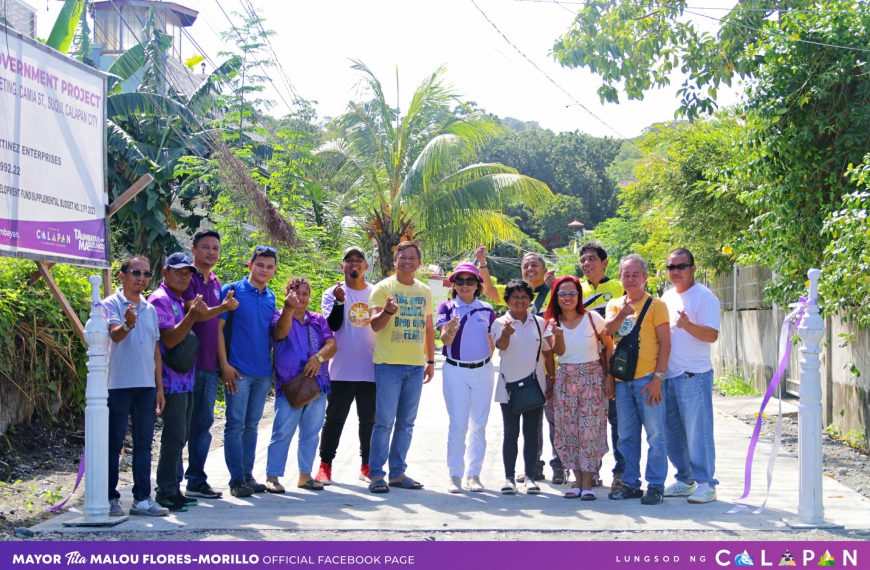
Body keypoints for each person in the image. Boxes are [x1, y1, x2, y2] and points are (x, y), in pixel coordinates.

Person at [367, 241, 435, 493]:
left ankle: (397, 473)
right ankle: (376, 474)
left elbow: (428, 327)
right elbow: (374, 326)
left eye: (412, 258)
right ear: (394, 261)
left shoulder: (425, 291)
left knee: (407, 422)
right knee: (384, 422)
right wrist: (387, 311)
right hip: (388, 365)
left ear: (419, 263)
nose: (407, 262)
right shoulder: (383, 288)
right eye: (402, 257)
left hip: (415, 366)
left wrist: (430, 361)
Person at [103, 256, 169, 517]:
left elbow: (155, 350)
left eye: (146, 274)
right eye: (136, 272)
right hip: (118, 384)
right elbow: (115, 335)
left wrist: (159, 387)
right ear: (122, 275)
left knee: (143, 444)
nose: (141, 278)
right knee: (113, 443)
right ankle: (109, 498)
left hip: (145, 385)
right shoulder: (110, 304)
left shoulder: (150, 309)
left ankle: (142, 499)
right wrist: (128, 323)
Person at [604, 254, 670, 505]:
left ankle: (656, 485)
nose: (630, 279)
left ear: (645, 277)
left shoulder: (657, 305)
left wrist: (658, 378)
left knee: (655, 435)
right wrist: (623, 313)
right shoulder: (615, 304)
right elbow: (608, 334)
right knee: (626, 435)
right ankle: (631, 483)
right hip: (623, 382)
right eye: (626, 274)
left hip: (647, 380)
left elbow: (665, 344)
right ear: (620, 277)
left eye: (635, 274)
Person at [544, 275, 615, 500]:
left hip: (592, 376)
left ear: (579, 295)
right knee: (569, 429)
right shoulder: (552, 324)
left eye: (572, 293)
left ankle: (588, 482)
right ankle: (576, 480)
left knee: (590, 429)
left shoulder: (593, 318)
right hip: (566, 379)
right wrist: (557, 334)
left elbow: (609, 345)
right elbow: (560, 353)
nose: (567, 298)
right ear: (556, 297)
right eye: (562, 294)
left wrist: (610, 376)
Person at [264, 277, 337, 493]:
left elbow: (332, 344)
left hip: (317, 386)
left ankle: (305, 476)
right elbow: (280, 333)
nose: (301, 297)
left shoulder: (317, 320)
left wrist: (319, 358)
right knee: (282, 432)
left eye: (305, 293)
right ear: (287, 293)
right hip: (290, 387)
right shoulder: (279, 316)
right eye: (296, 292)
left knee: (311, 433)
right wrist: (288, 308)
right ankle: (273, 476)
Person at [218, 245, 280, 498]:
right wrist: (225, 366)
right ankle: (235, 480)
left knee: (252, 425)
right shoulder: (232, 290)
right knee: (234, 425)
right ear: (250, 266)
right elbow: (218, 331)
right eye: (260, 265)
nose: (264, 270)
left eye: (269, 266)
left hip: (263, 372)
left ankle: (247, 474)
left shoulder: (271, 297)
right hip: (238, 371)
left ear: (274, 271)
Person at [182, 229, 239, 500]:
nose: (211, 253)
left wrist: (222, 362)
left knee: (203, 424)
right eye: (205, 247)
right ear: (193, 249)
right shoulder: (186, 277)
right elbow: (198, 312)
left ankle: (196, 479)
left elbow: (215, 327)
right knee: (179, 426)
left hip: (208, 365)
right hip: (183, 365)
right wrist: (224, 309)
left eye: (215, 248)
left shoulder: (216, 282)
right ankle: (167, 485)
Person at [661, 248, 721, 504]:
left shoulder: (704, 297)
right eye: (671, 267)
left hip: (694, 375)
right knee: (672, 432)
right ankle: (685, 480)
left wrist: (687, 326)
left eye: (681, 266)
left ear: (693, 268)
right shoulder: (666, 296)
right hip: (669, 375)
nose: (676, 272)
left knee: (699, 432)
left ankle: (707, 483)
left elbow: (712, 335)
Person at [148, 253, 207, 512]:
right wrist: (192, 316)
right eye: (179, 271)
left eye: (188, 273)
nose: (184, 276)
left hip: (185, 380)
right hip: (170, 383)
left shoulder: (177, 300)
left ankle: (174, 487)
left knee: (180, 436)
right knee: (173, 437)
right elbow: (169, 340)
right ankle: (165, 491)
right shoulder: (160, 300)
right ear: (165, 272)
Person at [316, 246, 377, 485]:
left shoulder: (376, 292)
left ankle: (367, 464)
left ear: (366, 266)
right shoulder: (332, 293)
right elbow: (332, 325)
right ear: (342, 266)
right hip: (341, 369)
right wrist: (340, 303)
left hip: (371, 368)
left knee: (369, 420)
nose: (354, 264)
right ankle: (325, 465)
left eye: (358, 260)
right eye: (349, 260)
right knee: (334, 419)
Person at [436, 262, 497, 493]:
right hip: (455, 371)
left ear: (477, 285)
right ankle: (455, 475)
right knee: (458, 424)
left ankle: (474, 475)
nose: (464, 285)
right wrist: (450, 330)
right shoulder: (447, 307)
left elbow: (497, 340)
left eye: (470, 281)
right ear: (453, 284)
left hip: (482, 371)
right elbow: (446, 340)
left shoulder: (487, 310)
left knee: (478, 426)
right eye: (459, 281)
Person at [491, 279, 555, 495]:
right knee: (511, 433)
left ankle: (529, 477)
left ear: (530, 300)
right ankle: (509, 478)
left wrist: (552, 378)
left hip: (534, 386)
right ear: (507, 300)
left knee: (532, 433)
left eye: (524, 297)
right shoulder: (500, 323)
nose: (519, 301)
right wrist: (507, 334)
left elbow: (548, 352)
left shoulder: (539, 322)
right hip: (508, 387)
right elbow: (501, 346)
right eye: (515, 297)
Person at [578, 241, 625, 491]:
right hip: (586, 364)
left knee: (618, 421)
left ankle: (620, 471)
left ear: (605, 262)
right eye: (583, 260)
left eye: (592, 259)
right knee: (590, 422)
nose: (587, 264)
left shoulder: (619, 287)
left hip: (615, 364)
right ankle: (591, 470)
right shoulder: (574, 289)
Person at [518, 252, 562, 484]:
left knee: (556, 420)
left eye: (535, 265)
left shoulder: (557, 293)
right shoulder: (518, 295)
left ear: (545, 269)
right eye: (526, 265)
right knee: (532, 422)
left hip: (553, 366)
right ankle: (532, 466)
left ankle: (559, 466)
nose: (530, 269)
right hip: (527, 369)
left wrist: (551, 288)